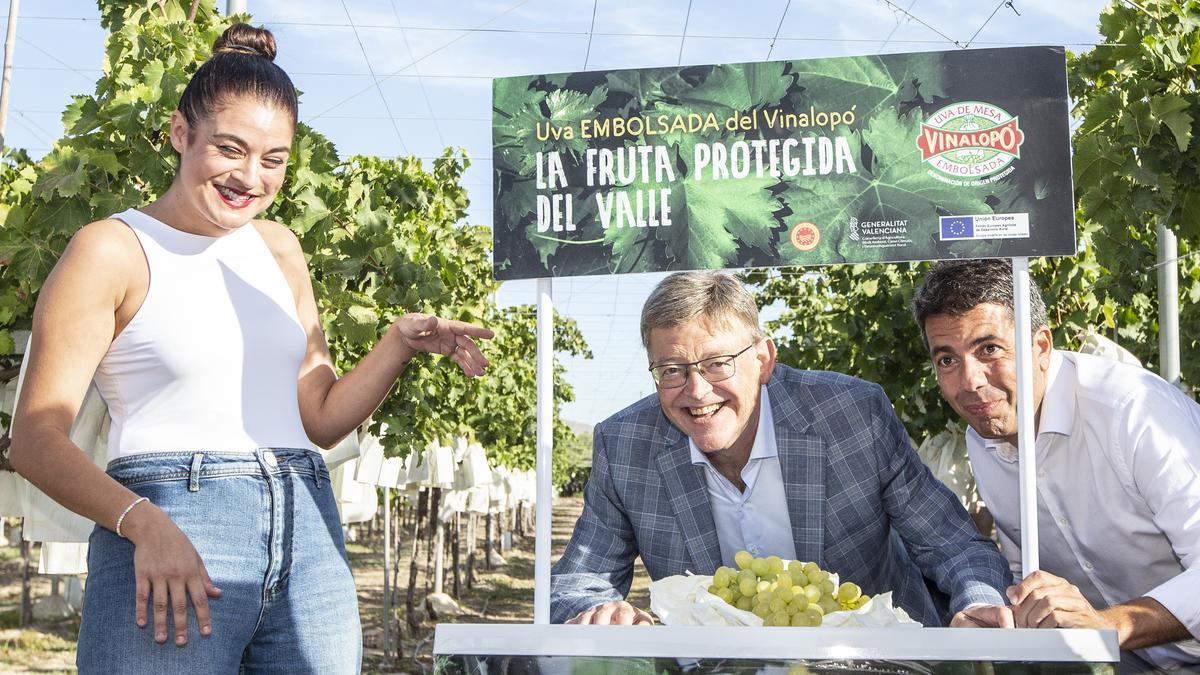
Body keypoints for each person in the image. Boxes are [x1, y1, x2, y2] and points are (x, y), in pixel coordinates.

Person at [9, 24, 492, 674]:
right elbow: (35, 439)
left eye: (274, 159)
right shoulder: (112, 249)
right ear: (181, 133)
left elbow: (318, 415)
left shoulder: (279, 248)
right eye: (230, 150)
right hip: (173, 524)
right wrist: (143, 522)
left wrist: (397, 345)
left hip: (307, 524)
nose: (250, 177)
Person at [551, 270, 1012, 626]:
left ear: (764, 360)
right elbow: (578, 579)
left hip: (867, 661)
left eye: (717, 364)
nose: (696, 391)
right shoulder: (624, 444)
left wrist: (980, 604)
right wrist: (597, 609)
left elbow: (955, 546)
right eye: (671, 369)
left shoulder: (852, 414)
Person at [912, 258, 1200, 670]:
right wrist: (995, 610)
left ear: (1041, 347)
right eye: (947, 360)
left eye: (989, 349)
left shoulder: (1132, 411)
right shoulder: (983, 440)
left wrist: (1108, 625)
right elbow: (1023, 570)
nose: (969, 381)